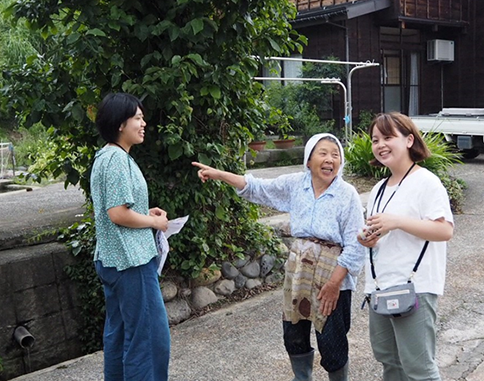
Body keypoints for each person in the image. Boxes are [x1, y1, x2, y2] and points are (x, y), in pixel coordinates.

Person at [192, 133, 365, 381]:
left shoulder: (347, 194)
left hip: (333, 275)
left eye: (335, 155)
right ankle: (301, 377)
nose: (330, 160)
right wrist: (219, 174)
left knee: (332, 339)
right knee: (293, 332)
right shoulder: (297, 184)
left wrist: (333, 284)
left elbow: (356, 246)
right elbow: (256, 187)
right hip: (299, 272)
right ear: (308, 160)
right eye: (323, 153)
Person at [358, 113, 454, 381]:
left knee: (419, 368)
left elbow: (445, 230)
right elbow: (380, 232)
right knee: (390, 362)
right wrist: (368, 238)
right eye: (375, 139)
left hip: (415, 288)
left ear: (409, 140)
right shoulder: (378, 188)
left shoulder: (426, 183)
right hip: (380, 287)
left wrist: (398, 222)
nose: (380, 145)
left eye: (388, 137)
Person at [90, 92, 170, 381]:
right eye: (137, 117)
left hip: (113, 260)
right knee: (148, 340)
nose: (143, 123)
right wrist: (154, 222)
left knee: (120, 334)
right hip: (131, 261)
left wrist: (145, 212)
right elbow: (117, 213)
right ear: (120, 123)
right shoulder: (117, 160)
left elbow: (117, 207)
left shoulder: (105, 156)